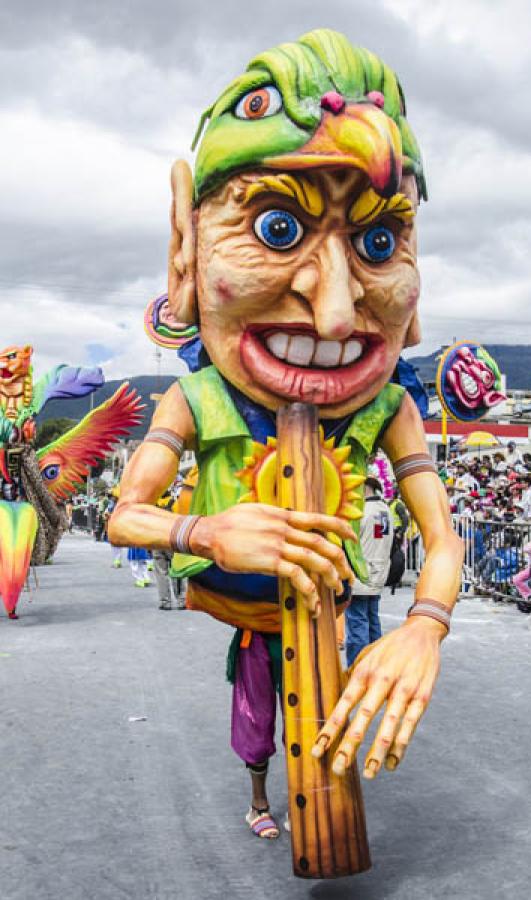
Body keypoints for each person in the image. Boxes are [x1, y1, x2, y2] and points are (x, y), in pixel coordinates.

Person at [109, 29, 463, 844]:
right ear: (186, 250)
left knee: (334, 707)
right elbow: (127, 514)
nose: (337, 312)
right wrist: (205, 531)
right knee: (254, 705)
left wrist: (425, 626)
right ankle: (261, 789)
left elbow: (442, 536)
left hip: (328, 602)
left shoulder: (386, 409)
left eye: (380, 242)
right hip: (242, 600)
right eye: (276, 228)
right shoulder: (197, 398)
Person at [345, 478, 393, 666]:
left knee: (357, 625)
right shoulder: (385, 509)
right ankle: (376, 666)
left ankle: (358, 668)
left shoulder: (361, 511)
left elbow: (349, 542)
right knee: (373, 622)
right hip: (379, 572)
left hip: (361, 574)